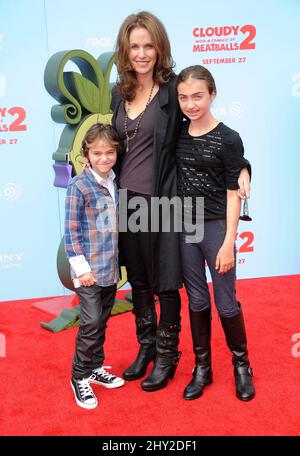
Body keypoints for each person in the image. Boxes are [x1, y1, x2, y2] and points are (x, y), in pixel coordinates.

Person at [112, 11, 251, 392]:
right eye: (134, 46)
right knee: (138, 278)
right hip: (129, 200)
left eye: (148, 45)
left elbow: (202, 131)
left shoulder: (174, 88)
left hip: (167, 201)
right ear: (125, 51)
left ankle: (168, 354)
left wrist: (244, 168)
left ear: (159, 47)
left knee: (166, 281)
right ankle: (147, 346)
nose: (141, 53)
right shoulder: (118, 91)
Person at [176, 65, 255, 401]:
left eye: (197, 96)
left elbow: (232, 193)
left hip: (216, 228)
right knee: (195, 299)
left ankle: (241, 366)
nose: (190, 104)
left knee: (225, 303)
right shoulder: (177, 132)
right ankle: (202, 368)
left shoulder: (228, 137)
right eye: (183, 97)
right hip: (184, 226)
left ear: (212, 94)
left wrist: (228, 242)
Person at [65, 123, 125, 409]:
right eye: (97, 153)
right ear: (86, 154)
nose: (104, 158)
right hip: (88, 272)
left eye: (109, 152)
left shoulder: (115, 181)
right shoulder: (79, 185)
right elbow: (72, 231)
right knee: (89, 322)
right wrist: (82, 269)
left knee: (101, 321)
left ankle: (95, 367)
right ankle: (79, 376)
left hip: (109, 269)